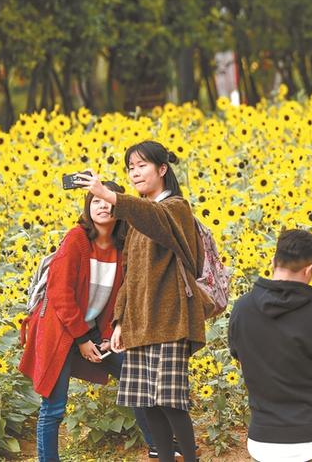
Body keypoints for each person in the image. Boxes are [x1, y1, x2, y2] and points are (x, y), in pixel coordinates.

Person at [78, 141, 213, 462]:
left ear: (162, 169)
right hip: (139, 324)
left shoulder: (175, 208)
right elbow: (131, 275)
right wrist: (120, 322)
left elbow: (155, 218)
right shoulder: (138, 216)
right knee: (148, 404)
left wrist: (109, 195)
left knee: (170, 402)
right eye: (131, 168)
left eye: (142, 166)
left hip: (170, 322)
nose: (135, 173)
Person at [18, 181, 157, 461]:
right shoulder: (77, 239)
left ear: (120, 207)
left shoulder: (123, 247)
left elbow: (119, 298)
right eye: (95, 201)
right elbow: (60, 294)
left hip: (92, 331)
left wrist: (106, 335)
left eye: (108, 200)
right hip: (59, 330)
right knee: (54, 407)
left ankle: (159, 447)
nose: (102, 206)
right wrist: (82, 340)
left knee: (137, 379)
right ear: (87, 207)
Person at [229, 229, 312, 462]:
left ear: (273, 261)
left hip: (264, 442)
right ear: (309, 270)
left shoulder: (242, 310)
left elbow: (240, 356)